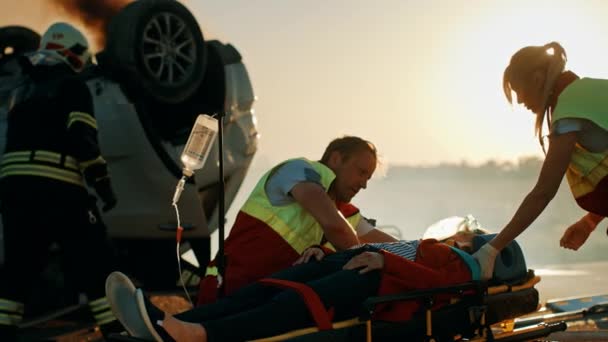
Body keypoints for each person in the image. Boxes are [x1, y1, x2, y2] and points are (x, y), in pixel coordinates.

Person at [106, 229, 484, 342]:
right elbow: (364, 247)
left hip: (369, 282)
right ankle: (164, 325)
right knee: (261, 290)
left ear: (472, 243)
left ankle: (191, 333)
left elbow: (440, 286)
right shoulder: (421, 242)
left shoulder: (458, 260)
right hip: (343, 262)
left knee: (284, 306)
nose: (459, 232)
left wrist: (386, 260)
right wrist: (321, 249)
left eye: (468, 233)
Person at [0, 22, 122, 339]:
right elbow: (83, 139)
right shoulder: (72, 86)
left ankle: (3, 326)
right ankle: (116, 326)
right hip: (58, 188)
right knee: (94, 255)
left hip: (14, 189)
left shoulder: (20, 91)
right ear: (72, 52)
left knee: (18, 264)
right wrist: (103, 183)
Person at [197, 136, 398, 304]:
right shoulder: (298, 171)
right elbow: (334, 227)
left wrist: (422, 253)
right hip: (229, 291)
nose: (363, 184)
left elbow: (391, 246)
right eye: (361, 172)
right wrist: (362, 263)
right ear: (336, 159)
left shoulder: (343, 210)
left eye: (368, 178)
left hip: (266, 299)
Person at [474, 41, 608, 280]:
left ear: (536, 79)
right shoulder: (587, 91)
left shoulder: (569, 109)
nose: (520, 101)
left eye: (518, 90)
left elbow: (543, 192)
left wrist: (492, 249)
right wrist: (589, 222)